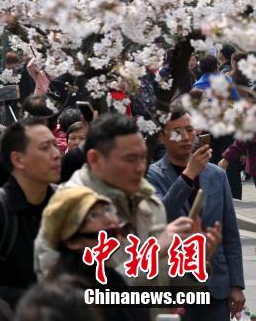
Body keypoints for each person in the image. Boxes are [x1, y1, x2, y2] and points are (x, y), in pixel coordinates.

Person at [32, 114, 216, 287]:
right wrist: (152, 254)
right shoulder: (69, 207)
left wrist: (194, 260)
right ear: (95, 159)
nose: (140, 167)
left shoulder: (147, 202)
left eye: (143, 158)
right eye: (130, 159)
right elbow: (67, 297)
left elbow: (163, 291)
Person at [147, 110, 245, 320]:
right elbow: (160, 215)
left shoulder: (216, 174)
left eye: (190, 130)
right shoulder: (152, 174)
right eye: (177, 131)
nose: (185, 137)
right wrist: (188, 176)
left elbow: (230, 232)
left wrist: (236, 284)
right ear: (162, 137)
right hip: (176, 284)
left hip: (215, 285)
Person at [0, 118, 60, 307]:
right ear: (18, 159)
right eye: (44, 148)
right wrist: (35, 300)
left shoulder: (66, 202)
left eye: (55, 145)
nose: (56, 154)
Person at [38, 187, 143, 321]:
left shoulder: (112, 278)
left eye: (107, 210)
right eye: (93, 215)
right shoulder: (61, 297)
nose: (109, 220)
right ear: (72, 241)